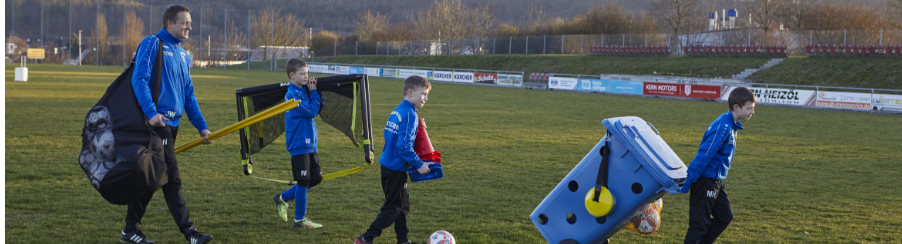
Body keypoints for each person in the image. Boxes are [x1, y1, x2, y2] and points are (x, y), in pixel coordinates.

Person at [124, 4, 213, 244]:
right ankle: (190, 232)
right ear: (169, 23)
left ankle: (130, 230)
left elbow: (188, 95)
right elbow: (139, 79)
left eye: (190, 23)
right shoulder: (152, 43)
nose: (189, 27)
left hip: (173, 125)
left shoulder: (183, 55)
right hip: (156, 124)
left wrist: (202, 127)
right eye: (185, 23)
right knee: (171, 177)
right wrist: (151, 112)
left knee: (153, 178)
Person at [355, 76, 434, 244]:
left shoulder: (399, 110)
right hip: (395, 169)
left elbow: (393, 135)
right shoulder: (409, 114)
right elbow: (403, 145)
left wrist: (417, 128)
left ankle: (403, 240)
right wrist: (419, 164)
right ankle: (365, 239)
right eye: (423, 94)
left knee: (403, 205)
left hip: (388, 165)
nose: (426, 98)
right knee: (393, 208)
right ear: (410, 92)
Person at [680, 87, 756, 244]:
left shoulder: (732, 124)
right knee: (699, 225)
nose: (752, 112)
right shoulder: (723, 127)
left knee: (725, 216)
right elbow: (703, 155)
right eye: (749, 108)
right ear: (736, 107)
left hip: (715, 180)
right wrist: (688, 181)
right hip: (705, 180)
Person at [272, 58, 325, 229]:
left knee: (315, 178)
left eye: (307, 73)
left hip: (310, 143)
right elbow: (312, 111)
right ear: (291, 75)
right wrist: (314, 92)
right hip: (299, 144)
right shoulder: (292, 95)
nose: (306, 77)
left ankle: (282, 198)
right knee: (303, 181)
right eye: (302, 74)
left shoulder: (303, 91)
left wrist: (314, 92)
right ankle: (299, 220)